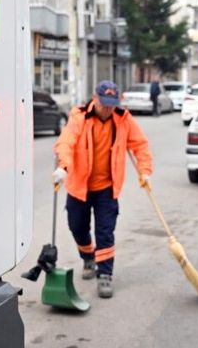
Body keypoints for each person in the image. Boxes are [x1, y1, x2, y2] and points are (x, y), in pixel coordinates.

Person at [52, 80, 153, 298]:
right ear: (95, 99)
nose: (107, 109)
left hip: (107, 188)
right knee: (77, 227)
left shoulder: (123, 120)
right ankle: (88, 257)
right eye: (104, 103)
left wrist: (144, 171)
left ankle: (105, 274)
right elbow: (66, 142)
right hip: (79, 186)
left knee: (105, 232)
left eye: (111, 104)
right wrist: (63, 167)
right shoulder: (80, 117)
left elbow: (140, 145)